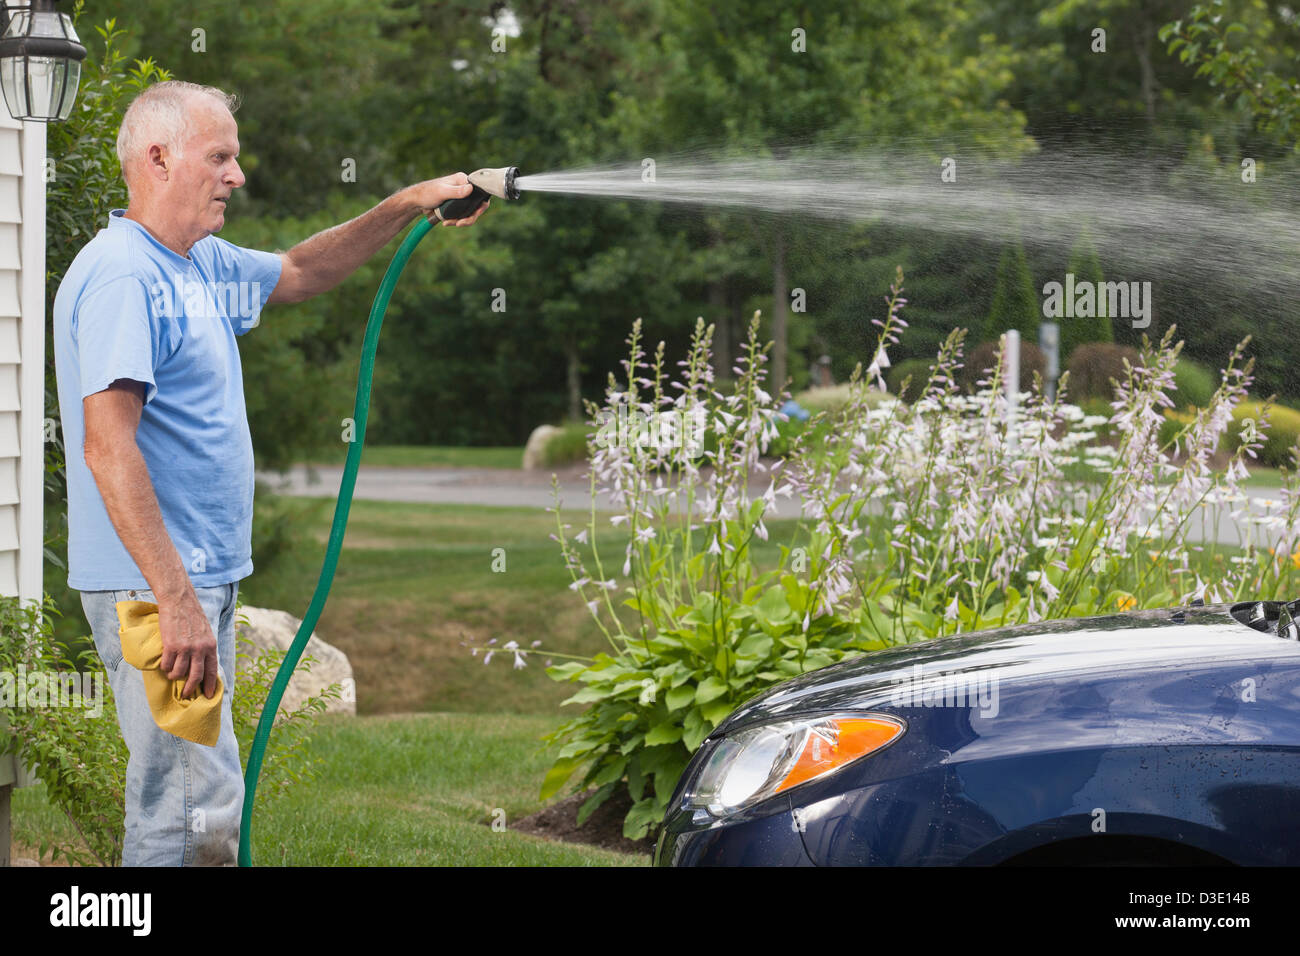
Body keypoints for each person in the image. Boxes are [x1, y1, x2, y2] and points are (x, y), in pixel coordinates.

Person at [51, 80, 489, 866]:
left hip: (188, 580)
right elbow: (106, 448)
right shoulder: (124, 274)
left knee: (198, 807)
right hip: (156, 589)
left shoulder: (196, 262)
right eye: (219, 157)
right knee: (186, 813)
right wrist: (176, 600)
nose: (237, 176)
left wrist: (403, 205)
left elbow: (298, 271)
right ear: (158, 157)